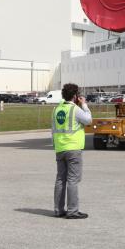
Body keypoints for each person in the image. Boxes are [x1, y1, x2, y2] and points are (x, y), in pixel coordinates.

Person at [52, 83, 92, 219]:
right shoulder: (75, 109)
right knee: (73, 180)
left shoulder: (57, 109)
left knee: (60, 179)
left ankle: (58, 209)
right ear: (75, 96)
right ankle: (72, 211)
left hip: (60, 148)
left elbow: (53, 129)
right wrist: (84, 105)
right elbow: (88, 120)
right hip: (73, 148)